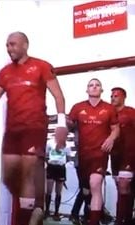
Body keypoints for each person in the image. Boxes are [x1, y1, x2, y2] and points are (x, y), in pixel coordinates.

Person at [0, 31, 67, 225]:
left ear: (25, 45)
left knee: (27, 171)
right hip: (12, 130)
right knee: (9, 176)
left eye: (13, 44)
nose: (9, 49)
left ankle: (32, 213)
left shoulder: (41, 66)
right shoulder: (4, 72)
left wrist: (61, 124)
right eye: (7, 45)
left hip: (34, 127)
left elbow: (59, 96)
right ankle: (37, 206)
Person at [68, 78, 119, 225]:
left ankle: (94, 221)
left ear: (101, 90)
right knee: (85, 190)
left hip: (100, 154)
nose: (94, 87)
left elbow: (116, 129)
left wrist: (111, 139)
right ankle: (84, 215)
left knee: (95, 184)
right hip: (83, 156)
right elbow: (69, 125)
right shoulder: (77, 107)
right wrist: (64, 125)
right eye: (91, 85)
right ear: (87, 90)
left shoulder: (109, 108)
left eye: (97, 85)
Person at [110, 87, 135, 225]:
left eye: (116, 95)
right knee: (122, 189)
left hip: (129, 155)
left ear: (123, 97)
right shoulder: (109, 113)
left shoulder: (131, 112)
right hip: (115, 157)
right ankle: (127, 218)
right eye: (111, 96)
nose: (113, 98)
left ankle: (121, 221)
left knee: (124, 186)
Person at [44, 135, 71, 221]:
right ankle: (47, 211)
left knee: (58, 192)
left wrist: (61, 162)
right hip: (51, 167)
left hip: (61, 168)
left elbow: (68, 157)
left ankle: (56, 212)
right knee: (48, 191)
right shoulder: (50, 142)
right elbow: (46, 154)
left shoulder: (67, 145)